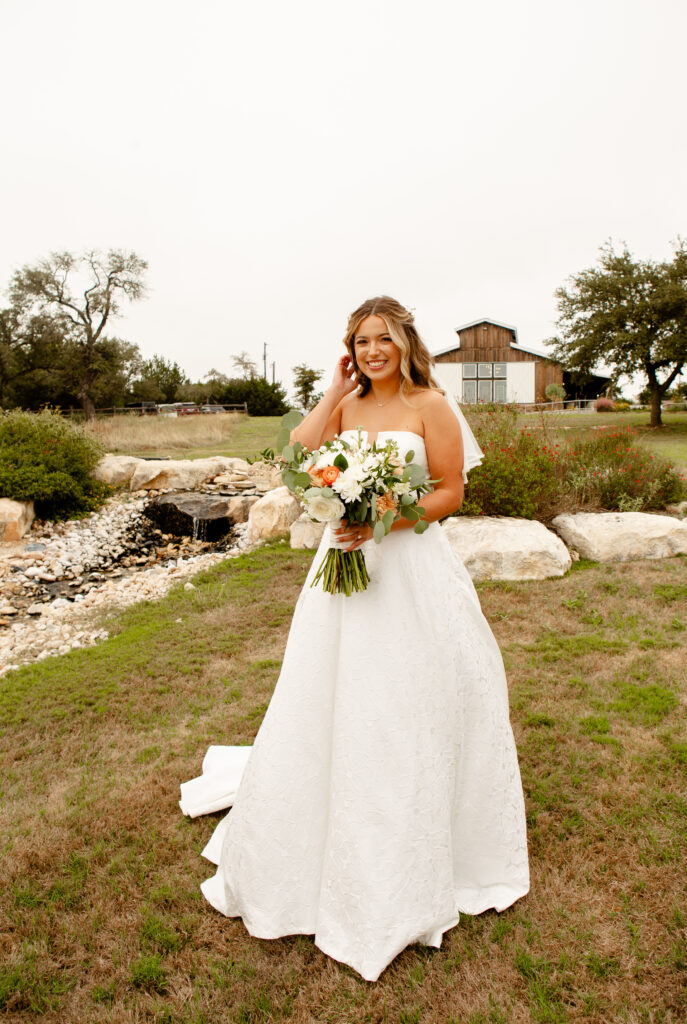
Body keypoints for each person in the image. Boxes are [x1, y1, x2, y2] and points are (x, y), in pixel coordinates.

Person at [180, 296, 529, 982]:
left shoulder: (431, 405)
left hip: (408, 569)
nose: (373, 351)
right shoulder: (345, 403)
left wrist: (384, 518)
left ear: (404, 343)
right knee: (330, 695)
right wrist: (334, 389)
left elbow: (451, 492)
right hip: (342, 569)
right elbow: (297, 455)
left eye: (383, 340)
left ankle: (414, 839)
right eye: (362, 341)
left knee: (405, 702)